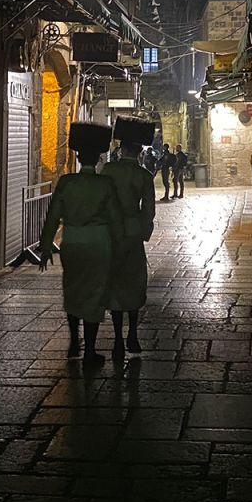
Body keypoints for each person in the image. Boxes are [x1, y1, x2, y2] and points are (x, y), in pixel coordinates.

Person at [39, 122, 121, 363]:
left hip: (72, 241)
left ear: (77, 157)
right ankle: (90, 351)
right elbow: (115, 218)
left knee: (73, 290)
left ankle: (74, 343)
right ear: (97, 159)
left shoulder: (66, 182)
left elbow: (52, 216)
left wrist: (45, 247)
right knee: (95, 293)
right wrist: (120, 245)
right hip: (98, 243)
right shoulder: (105, 184)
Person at [101, 118, 157, 357]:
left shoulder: (108, 170)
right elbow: (149, 209)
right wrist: (144, 231)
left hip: (112, 233)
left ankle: (117, 340)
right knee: (134, 283)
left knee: (114, 283)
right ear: (139, 152)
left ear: (121, 149)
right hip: (133, 234)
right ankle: (132, 335)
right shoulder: (144, 175)